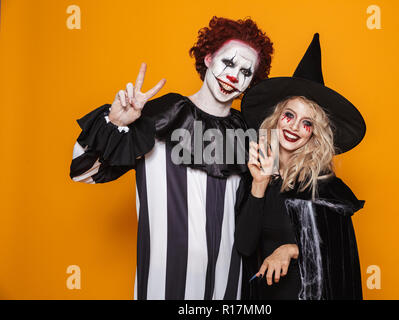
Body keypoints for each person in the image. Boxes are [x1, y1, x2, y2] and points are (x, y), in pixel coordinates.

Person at [69, 16, 273, 300]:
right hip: (164, 286)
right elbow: (83, 171)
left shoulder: (248, 134)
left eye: (245, 72)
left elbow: (259, 215)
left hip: (230, 287)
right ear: (209, 57)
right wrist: (115, 124)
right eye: (228, 63)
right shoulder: (161, 115)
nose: (233, 77)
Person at [235, 33, 366, 300]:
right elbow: (245, 247)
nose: (295, 127)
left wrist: (291, 249)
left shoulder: (326, 187)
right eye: (290, 115)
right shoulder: (255, 177)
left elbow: (339, 259)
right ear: (277, 119)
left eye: (307, 123)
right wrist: (259, 184)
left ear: (314, 134)